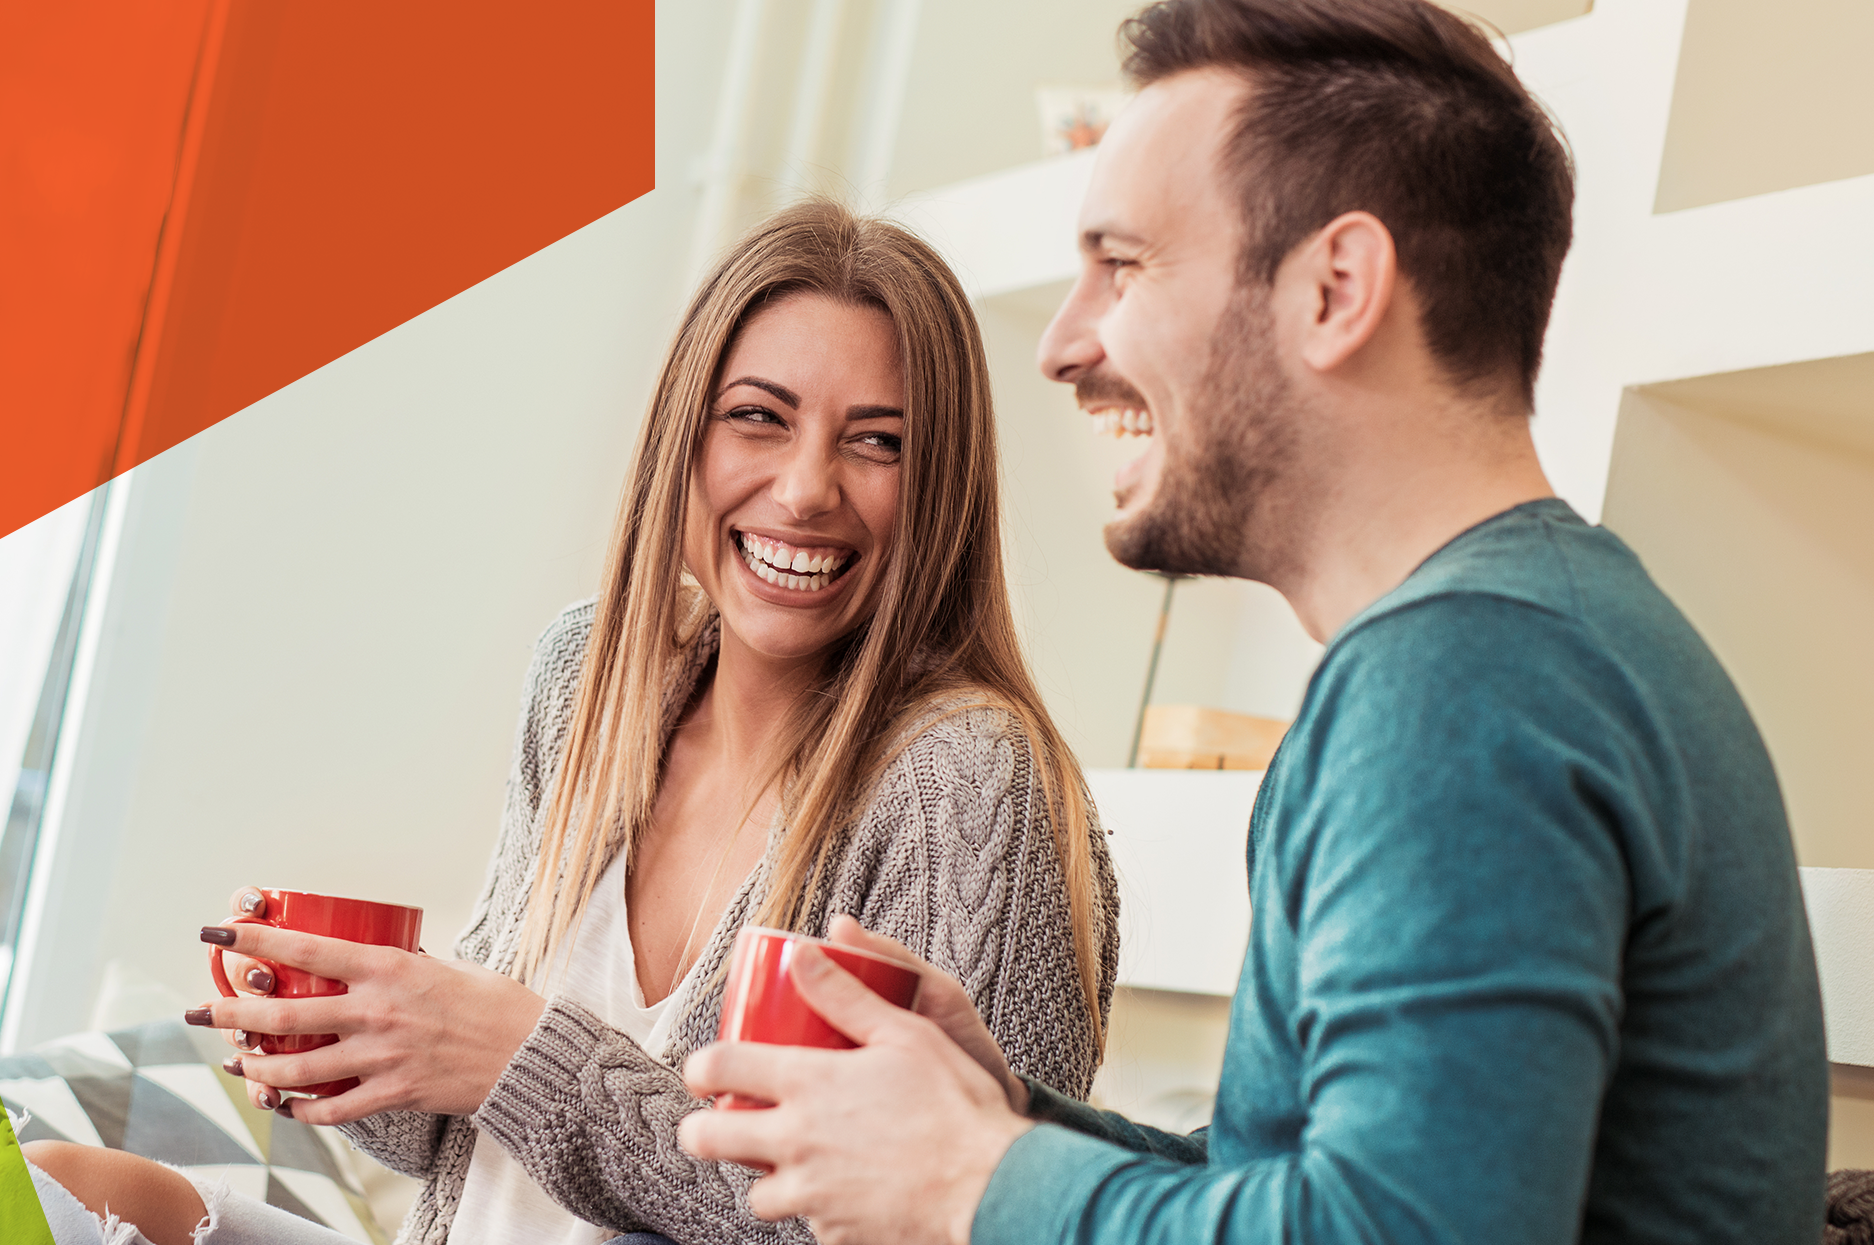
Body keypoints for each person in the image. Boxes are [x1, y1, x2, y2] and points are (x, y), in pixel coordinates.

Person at [675, 2, 1829, 1243]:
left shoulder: (1463, 687)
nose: (1063, 344)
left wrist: (977, 1183)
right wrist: (1003, 1121)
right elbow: (1319, 1186)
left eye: (1123, 265)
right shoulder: (1527, 641)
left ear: (1336, 290)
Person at [24, 201, 1119, 1245]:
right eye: (758, 418)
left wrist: (518, 1054)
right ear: (682, 438)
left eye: (877, 443)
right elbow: (471, 1139)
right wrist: (359, 1044)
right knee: (57, 1187)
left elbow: (938, 1218)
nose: (803, 489)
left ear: (941, 489)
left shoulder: (965, 780)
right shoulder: (591, 676)